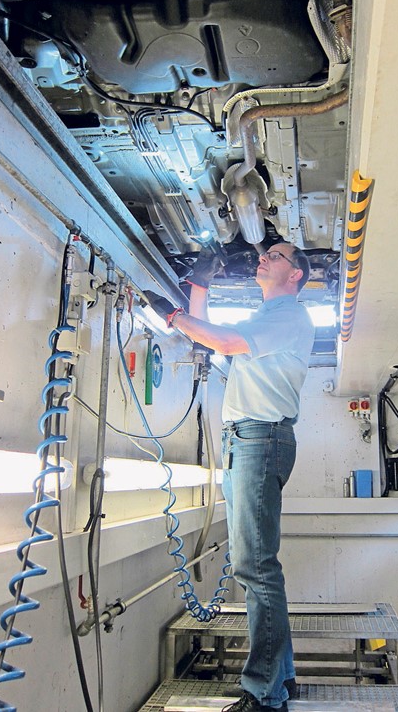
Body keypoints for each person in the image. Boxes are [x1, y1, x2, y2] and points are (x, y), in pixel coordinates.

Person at [167, 242, 315, 712]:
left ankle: (264, 695)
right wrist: (199, 286)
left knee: (256, 569)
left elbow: (222, 342)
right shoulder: (264, 321)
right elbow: (213, 336)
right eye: (265, 255)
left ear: (296, 275)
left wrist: (173, 315)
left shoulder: (290, 315)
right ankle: (281, 678)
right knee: (261, 568)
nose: (264, 259)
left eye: (277, 256)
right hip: (246, 441)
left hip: (259, 440)